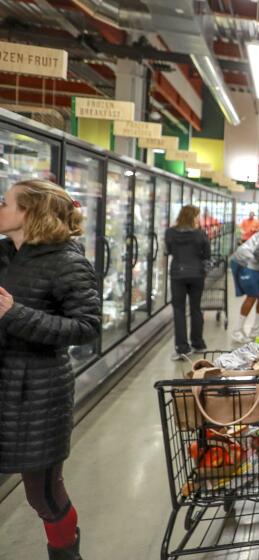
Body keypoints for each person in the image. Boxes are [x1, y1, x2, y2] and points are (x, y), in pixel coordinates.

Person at [0, 179, 101, 560]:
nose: (0, 207)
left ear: (30, 214)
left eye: (6, 202)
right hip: (7, 383)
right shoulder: (7, 253)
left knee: (41, 490)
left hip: (38, 392)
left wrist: (16, 314)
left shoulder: (67, 262)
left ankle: (66, 554)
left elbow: (87, 327)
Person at [165, 205, 211, 360]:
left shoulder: (170, 232)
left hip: (177, 274)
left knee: (179, 310)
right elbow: (207, 255)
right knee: (195, 308)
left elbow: (169, 251)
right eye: (198, 216)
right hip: (197, 274)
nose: (199, 219)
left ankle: (182, 348)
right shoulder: (200, 234)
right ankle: (198, 343)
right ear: (193, 217)